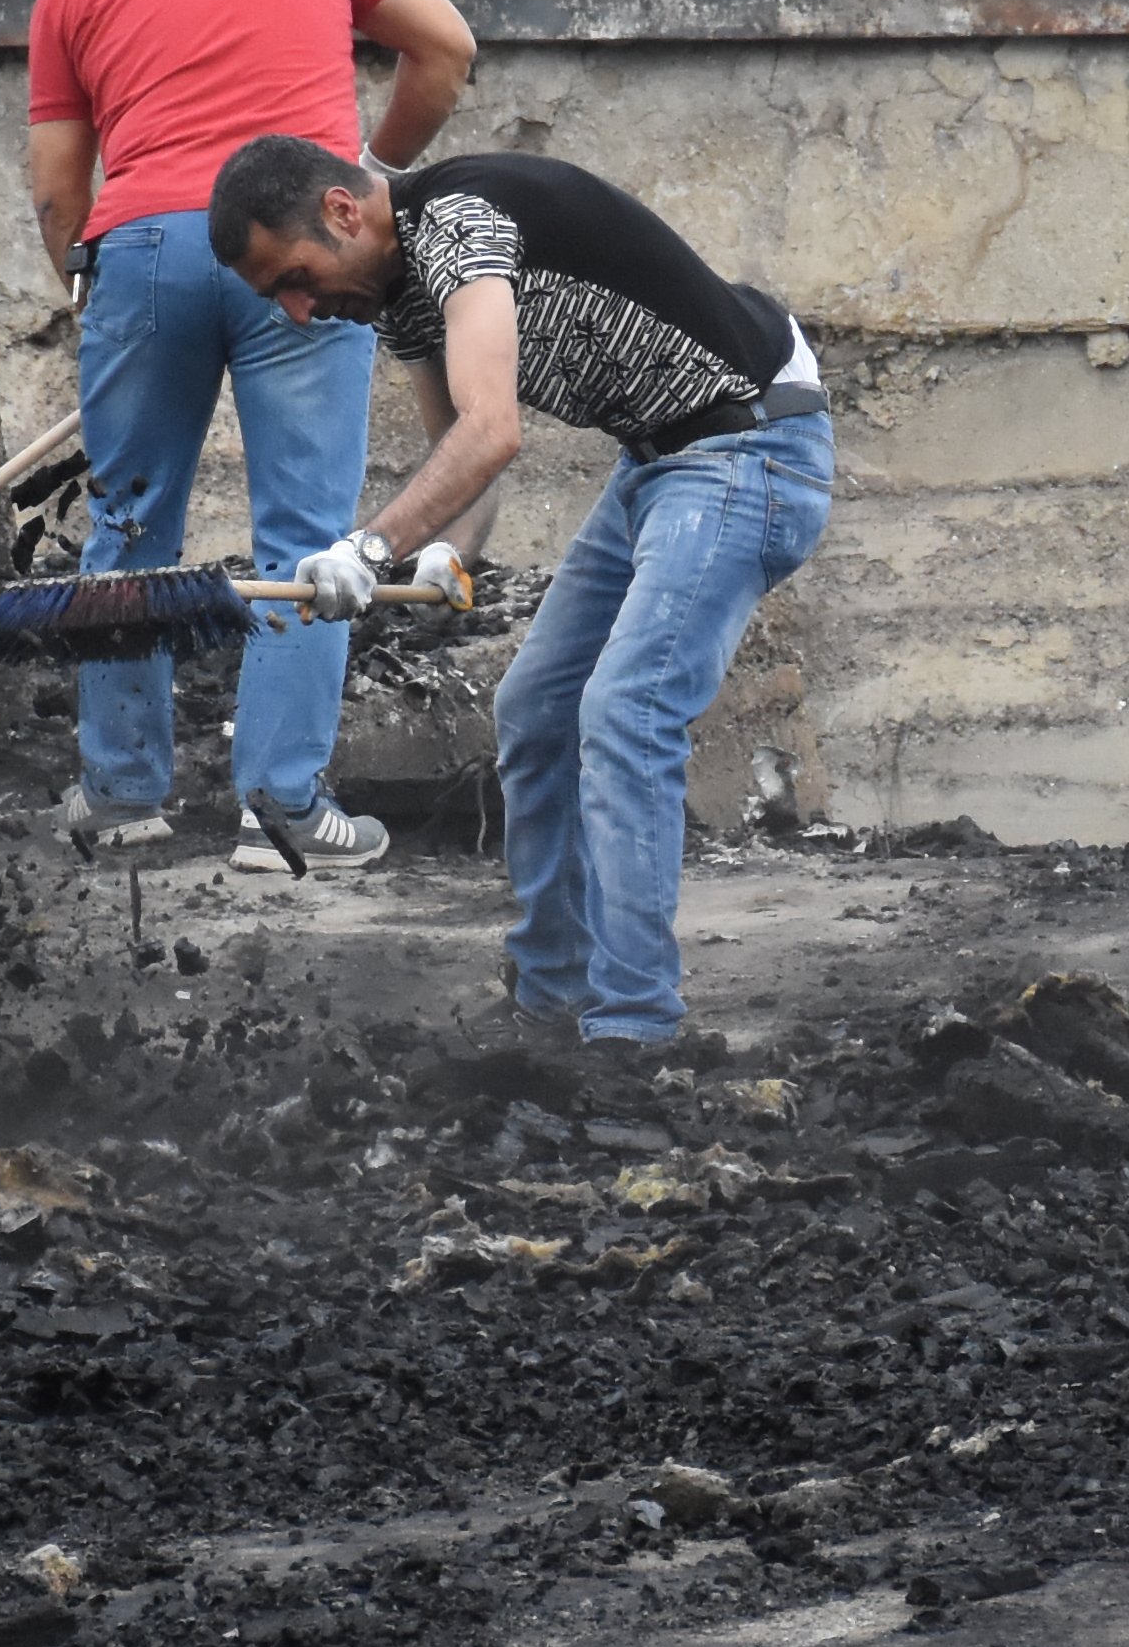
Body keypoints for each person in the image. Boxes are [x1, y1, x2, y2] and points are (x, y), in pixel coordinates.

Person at [206, 136, 830, 1075]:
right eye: (276, 300)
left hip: (751, 449)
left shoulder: (457, 226)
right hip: (660, 461)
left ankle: (633, 1028)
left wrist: (369, 547)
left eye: (295, 279)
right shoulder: (401, 299)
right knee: (535, 712)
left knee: (627, 713)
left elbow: (495, 433)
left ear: (343, 211)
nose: (297, 312)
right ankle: (553, 998)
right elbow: (463, 463)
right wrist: (443, 560)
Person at [22, 0, 475, 872]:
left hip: (140, 250)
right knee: (309, 532)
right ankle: (280, 815)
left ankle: (122, 799)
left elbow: (57, 189)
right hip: (306, 241)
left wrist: (101, 303)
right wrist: (366, 175)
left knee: (128, 531)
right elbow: (446, 46)